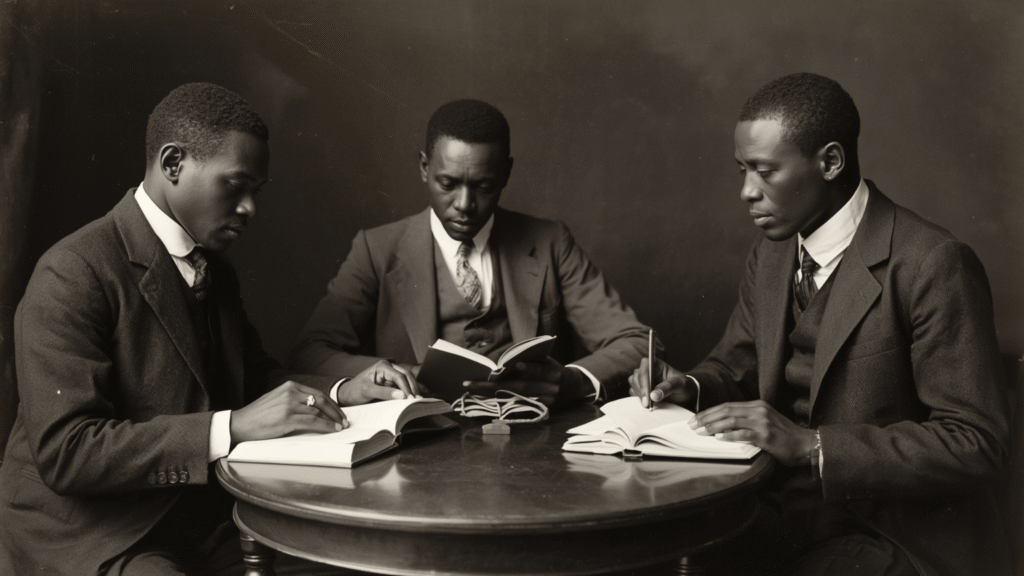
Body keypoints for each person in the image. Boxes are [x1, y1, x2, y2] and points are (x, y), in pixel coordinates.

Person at [0, 82, 418, 576]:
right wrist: (232, 427)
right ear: (173, 163)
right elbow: (68, 452)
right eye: (235, 186)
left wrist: (346, 390)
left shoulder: (213, 269)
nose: (249, 209)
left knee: (356, 563)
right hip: (95, 532)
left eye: (256, 192)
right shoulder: (73, 270)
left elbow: (255, 379)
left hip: (201, 520)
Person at [631, 73, 1011, 575]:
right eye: (743, 170)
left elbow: (975, 443)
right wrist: (689, 386)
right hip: (782, 511)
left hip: (892, 531)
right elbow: (736, 368)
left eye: (765, 171)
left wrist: (811, 446)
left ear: (830, 162)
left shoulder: (932, 262)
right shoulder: (772, 254)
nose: (746, 192)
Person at [290, 99, 652, 407]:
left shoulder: (550, 242)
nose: (464, 204)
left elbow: (637, 343)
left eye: (483, 186)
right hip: (418, 444)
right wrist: (388, 372)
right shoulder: (377, 248)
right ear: (424, 168)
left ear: (506, 174)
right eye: (447, 184)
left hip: (532, 438)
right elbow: (310, 352)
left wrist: (573, 382)